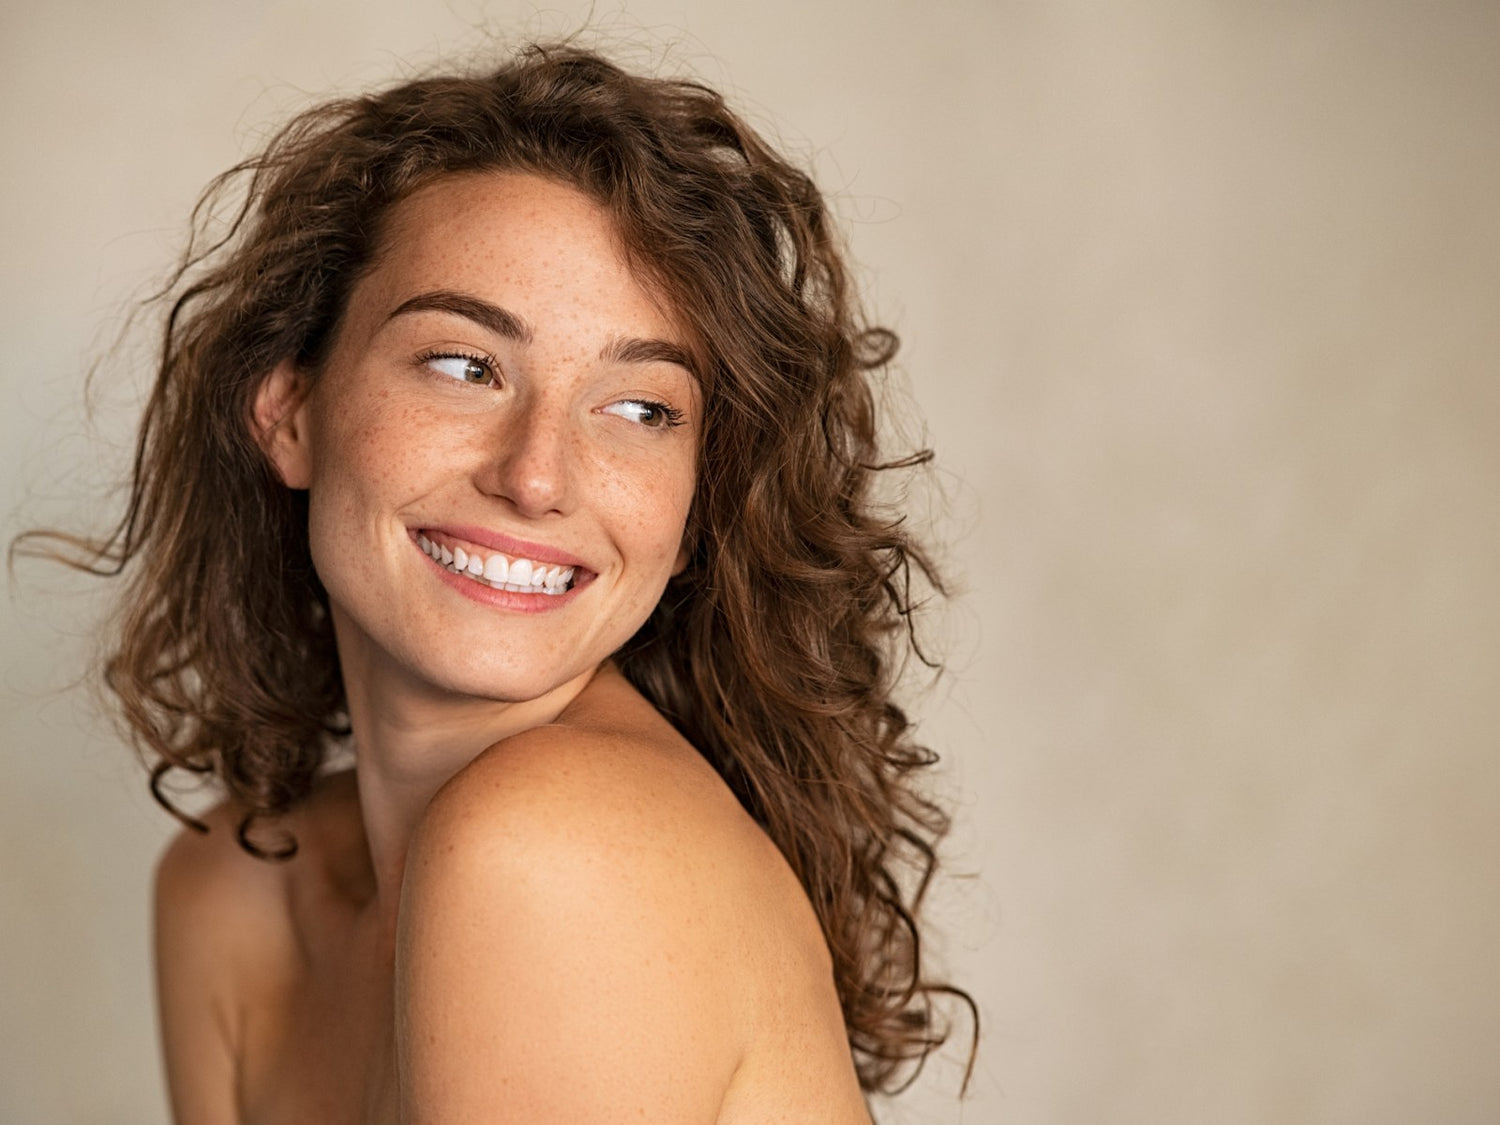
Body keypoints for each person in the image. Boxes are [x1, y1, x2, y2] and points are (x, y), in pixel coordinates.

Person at [30, 42, 974, 1122]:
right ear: (290, 410)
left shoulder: (553, 849)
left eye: (640, 408)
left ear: (697, 500)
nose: (534, 477)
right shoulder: (231, 889)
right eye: (465, 366)